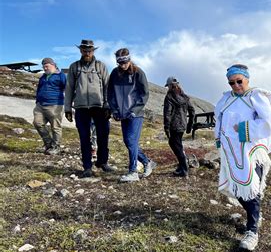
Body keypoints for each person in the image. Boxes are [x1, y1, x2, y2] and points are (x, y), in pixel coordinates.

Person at [214, 64, 271, 251]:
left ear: (247, 79)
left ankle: (252, 231)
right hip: (230, 151)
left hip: (251, 150)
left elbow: (269, 121)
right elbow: (219, 118)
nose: (236, 85)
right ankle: (255, 215)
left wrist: (244, 129)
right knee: (236, 187)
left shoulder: (255, 96)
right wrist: (219, 138)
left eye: (239, 81)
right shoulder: (226, 99)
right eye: (231, 82)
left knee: (251, 188)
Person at [64, 39, 114, 178]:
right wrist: (67, 108)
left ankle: (102, 162)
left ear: (93, 51)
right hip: (81, 108)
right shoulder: (74, 67)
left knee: (103, 135)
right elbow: (69, 88)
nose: (87, 52)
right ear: (80, 50)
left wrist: (108, 105)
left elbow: (107, 87)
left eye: (89, 50)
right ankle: (87, 166)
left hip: (99, 107)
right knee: (84, 137)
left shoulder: (100, 66)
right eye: (84, 50)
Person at [108, 48, 156, 182]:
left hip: (136, 114)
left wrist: (135, 110)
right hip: (122, 114)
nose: (123, 65)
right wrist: (114, 110)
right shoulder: (114, 73)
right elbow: (110, 93)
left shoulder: (138, 73)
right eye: (120, 62)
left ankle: (133, 171)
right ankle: (147, 162)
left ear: (129, 59)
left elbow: (144, 94)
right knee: (128, 142)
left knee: (130, 140)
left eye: (125, 61)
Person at [33, 57, 67, 155]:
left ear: (53, 65)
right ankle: (48, 143)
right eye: (44, 67)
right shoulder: (43, 77)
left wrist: (68, 102)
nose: (45, 68)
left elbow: (67, 88)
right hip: (40, 105)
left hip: (55, 105)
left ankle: (56, 147)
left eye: (47, 66)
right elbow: (39, 89)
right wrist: (37, 101)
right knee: (37, 123)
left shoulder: (61, 75)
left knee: (55, 127)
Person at [163, 76, 195, 177]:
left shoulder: (169, 97)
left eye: (168, 86)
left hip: (174, 126)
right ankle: (181, 166)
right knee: (178, 145)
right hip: (183, 125)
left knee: (174, 144)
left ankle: (184, 169)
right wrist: (190, 125)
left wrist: (166, 127)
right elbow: (192, 110)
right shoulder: (185, 97)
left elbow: (167, 113)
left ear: (169, 85)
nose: (168, 88)